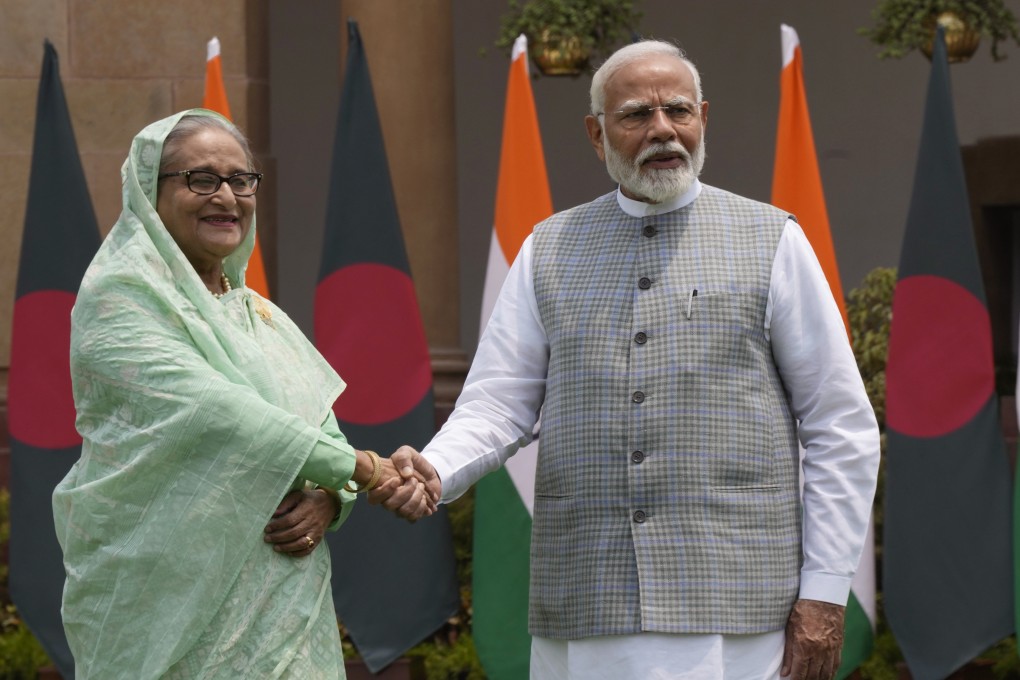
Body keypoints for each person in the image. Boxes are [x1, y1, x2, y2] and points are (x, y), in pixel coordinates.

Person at [381, 40, 880, 679]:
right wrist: (434, 470)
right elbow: (497, 403)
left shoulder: (772, 239)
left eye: (678, 110)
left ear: (704, 117)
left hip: (737, 609)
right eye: (636, 115)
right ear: (596, 134)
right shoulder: (547, 248)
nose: (662, 129)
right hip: (587, 600)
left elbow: (840, 425)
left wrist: (825, 591)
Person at [52, 109, 432, 679]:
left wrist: (333, 500)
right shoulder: (119, 297)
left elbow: (319, 428)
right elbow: (217, 414)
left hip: (283, 598)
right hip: (167, 598)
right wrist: (369, 470)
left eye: (241, 179)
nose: (225, 196)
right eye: (200, 179)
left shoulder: (259, 313)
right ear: (148, 192)